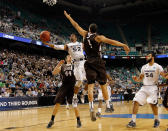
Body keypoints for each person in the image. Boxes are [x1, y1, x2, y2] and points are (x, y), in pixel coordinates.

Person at [64, 10, 130, 121]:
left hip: (88, 61)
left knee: (90, 85)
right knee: (103, 85)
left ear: (89, 29)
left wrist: (69, 17)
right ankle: (108, 105)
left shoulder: (84, 34)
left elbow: (76, 25)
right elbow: (111, 41)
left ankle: (91, 107)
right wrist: (123, 45)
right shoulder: (99, 37)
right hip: (98, 62)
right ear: (96, 30)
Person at [41, 34, 86, 106]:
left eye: (73, 35)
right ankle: (75, 96)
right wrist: (47, 44)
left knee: (91, 77)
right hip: (77, 63)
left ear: (76, 37)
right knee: (80, 80)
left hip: (84, 61)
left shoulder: (81, 44)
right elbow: (57, 47)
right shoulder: (68, 45)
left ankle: (83, 94)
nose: (71, 36)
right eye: (70, 36)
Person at [127, 52, 168, 128]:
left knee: (152, 104)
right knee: (136, 101)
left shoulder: (158, 67)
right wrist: (136, 79)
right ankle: (133, 121)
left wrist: (166, 75)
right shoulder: (144, 67)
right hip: (144, 87)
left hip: (153, 87)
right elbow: (140, 78)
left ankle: (156, 120)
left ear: (152, 57)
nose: (147, 57)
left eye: (148, 56)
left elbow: (164, 75)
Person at [47, 55, 82, 128]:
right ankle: (52, 120)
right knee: (57, 103)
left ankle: (78, 120)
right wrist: (58, 64)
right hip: (64, 86)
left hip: (72, 86)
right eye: (69, 56)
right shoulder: (62, 66)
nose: (70, 57)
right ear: (66, 59)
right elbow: (54, 73)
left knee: (74, 104)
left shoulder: (75, 66)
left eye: (71, 56)